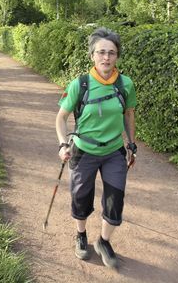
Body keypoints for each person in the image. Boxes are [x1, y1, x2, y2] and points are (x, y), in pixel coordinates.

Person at [55, 27, 137, 269]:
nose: (106, 58)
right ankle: (80, 234)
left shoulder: (125, 84)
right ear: (92, 55)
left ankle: (103, 241)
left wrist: (131, 144)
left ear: (117, 56)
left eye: (112, 53)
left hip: (114, 151)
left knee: (115, 198)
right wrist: (62, 144)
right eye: (101, 52)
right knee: (81, 196)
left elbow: (129, 114)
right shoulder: (79, 84)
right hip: (83, 151)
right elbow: (61, 118)